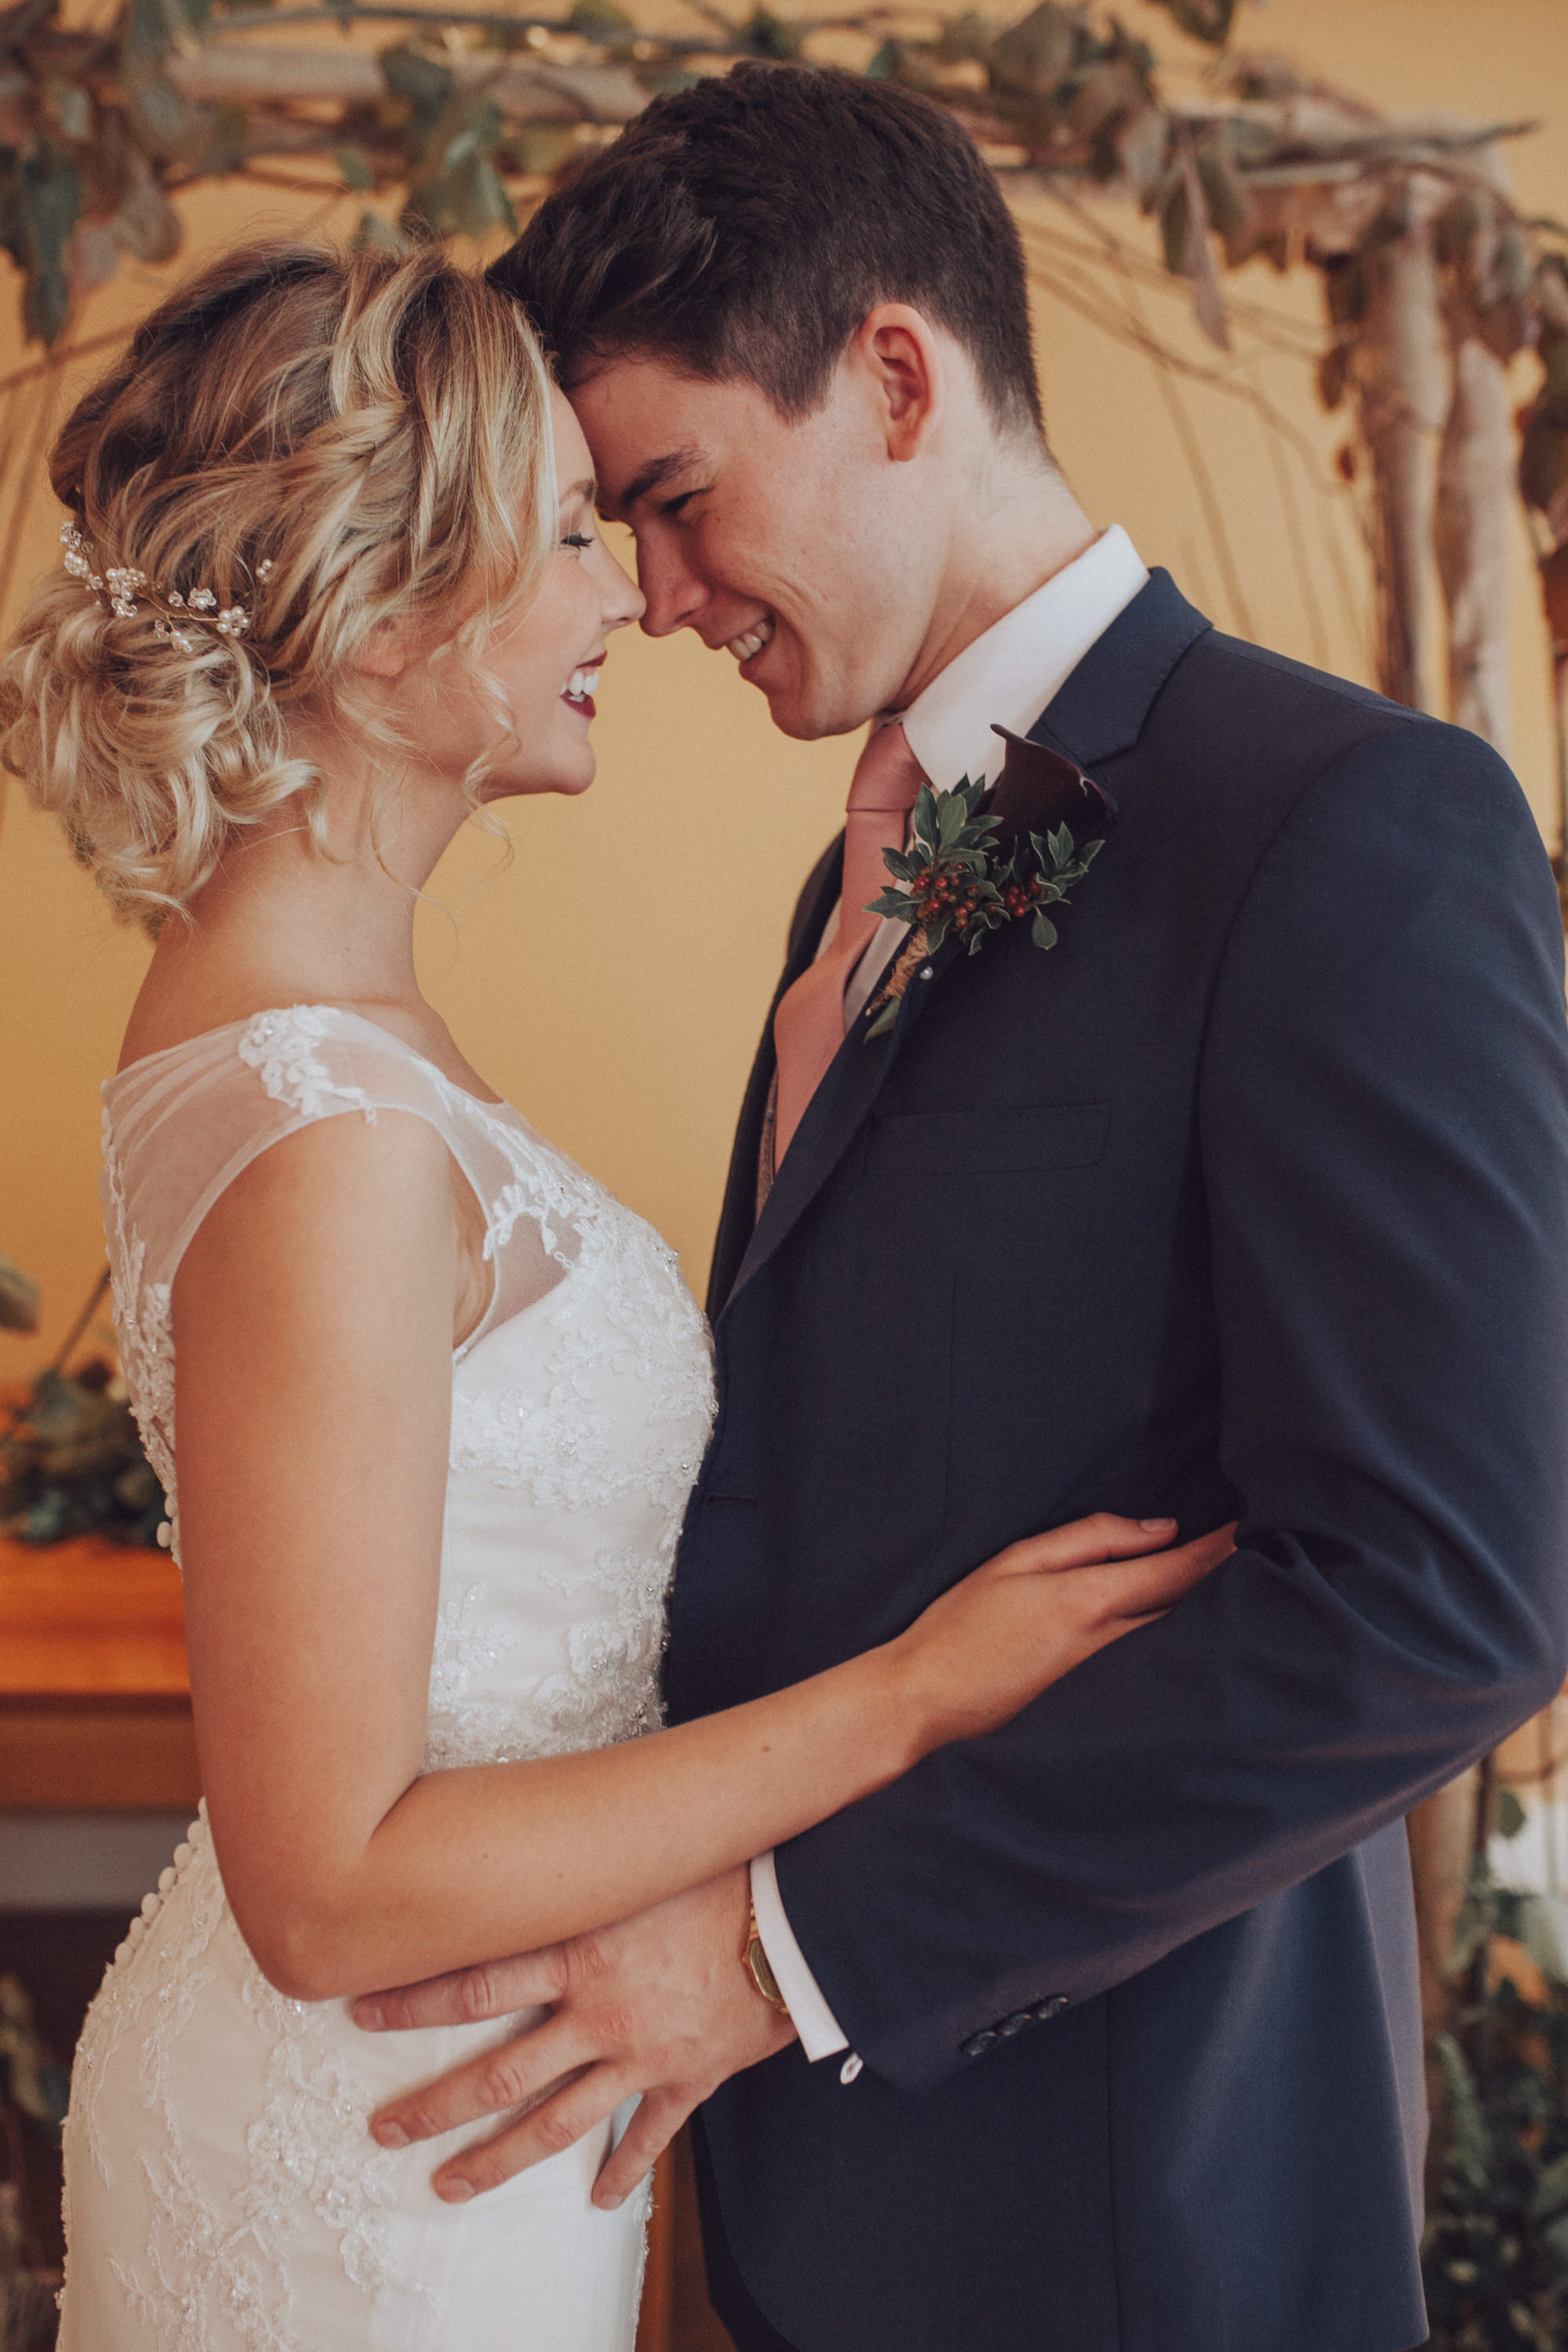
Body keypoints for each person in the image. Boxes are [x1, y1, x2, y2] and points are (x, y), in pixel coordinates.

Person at [350, 64, 1568, 2352]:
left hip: (1130, 2211)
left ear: (896, 376)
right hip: (799, 2196)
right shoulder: (857, 863)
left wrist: (782, 1953)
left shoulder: (1347, 826)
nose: (667, 595)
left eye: (683, 501)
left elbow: (1444, 1595)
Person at [0, 239, 1229, 2351]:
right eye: (574, 534)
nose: (629, 604)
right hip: (369, 2164)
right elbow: (329, 1887)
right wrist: (911, 1694)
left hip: (455, 2109)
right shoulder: (322, 1119)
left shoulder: (322, 1024)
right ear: (390, 616)